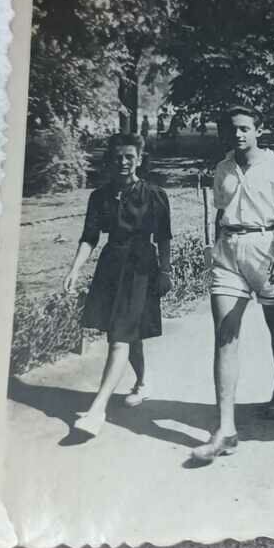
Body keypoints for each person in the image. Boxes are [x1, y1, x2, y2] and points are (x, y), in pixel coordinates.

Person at [191, 105, 274, 464]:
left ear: (258, 130)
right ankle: (225, 429)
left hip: (268, 250)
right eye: (232, 129)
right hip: (229, 254)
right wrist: (214, 247)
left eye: (244, 128)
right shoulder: (222, 168)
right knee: (225, 335)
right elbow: (220, 212)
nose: (238, 134)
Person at [63, 133, 172, 437]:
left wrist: (165, 271)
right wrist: (74, 268)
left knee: (120, 336)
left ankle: (97, 409)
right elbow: (89, 237)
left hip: (142, 268)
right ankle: (142, 382)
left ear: (139, 158)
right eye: (117, 157)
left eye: (129, 157)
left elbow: (163, 237)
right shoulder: (99, 196)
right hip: (111, 267)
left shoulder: (154, 194)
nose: (123, 162)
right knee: (123, 331)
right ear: (109, 159)